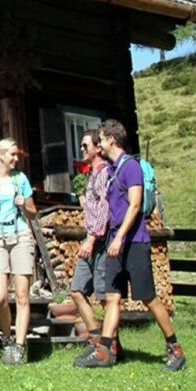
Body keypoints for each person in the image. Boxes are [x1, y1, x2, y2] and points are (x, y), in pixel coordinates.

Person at [74, 119, 185, 372]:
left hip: (133, 242)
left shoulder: (130, 167)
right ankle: (105, 349)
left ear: (111, 140)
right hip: (116, 242)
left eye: (100, 139)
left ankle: (174, 348)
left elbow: (135, 205)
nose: (98, 143)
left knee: (148, 297)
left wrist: (120, 236)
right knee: (112, 297)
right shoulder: (112, 171)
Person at [0, 137, 37, 365]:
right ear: (1, 155)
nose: (16, 158)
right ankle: (6, 336)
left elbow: (33, 213)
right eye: (12, 154)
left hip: (20, 234)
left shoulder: (20, 179)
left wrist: (24, 204)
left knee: (22, 295)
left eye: (17, 155)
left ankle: (19, 346)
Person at [69, 129, 114, 358]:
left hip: (101, 241)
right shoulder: (91, 176)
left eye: (85, 145)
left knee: (105, 296)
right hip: (91, 237)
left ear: (98, 148)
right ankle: (96, 337)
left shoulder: (105, 173)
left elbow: (105, 208)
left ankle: (110, 344)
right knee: (77, 290)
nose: (82, 149)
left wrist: (91, 238)